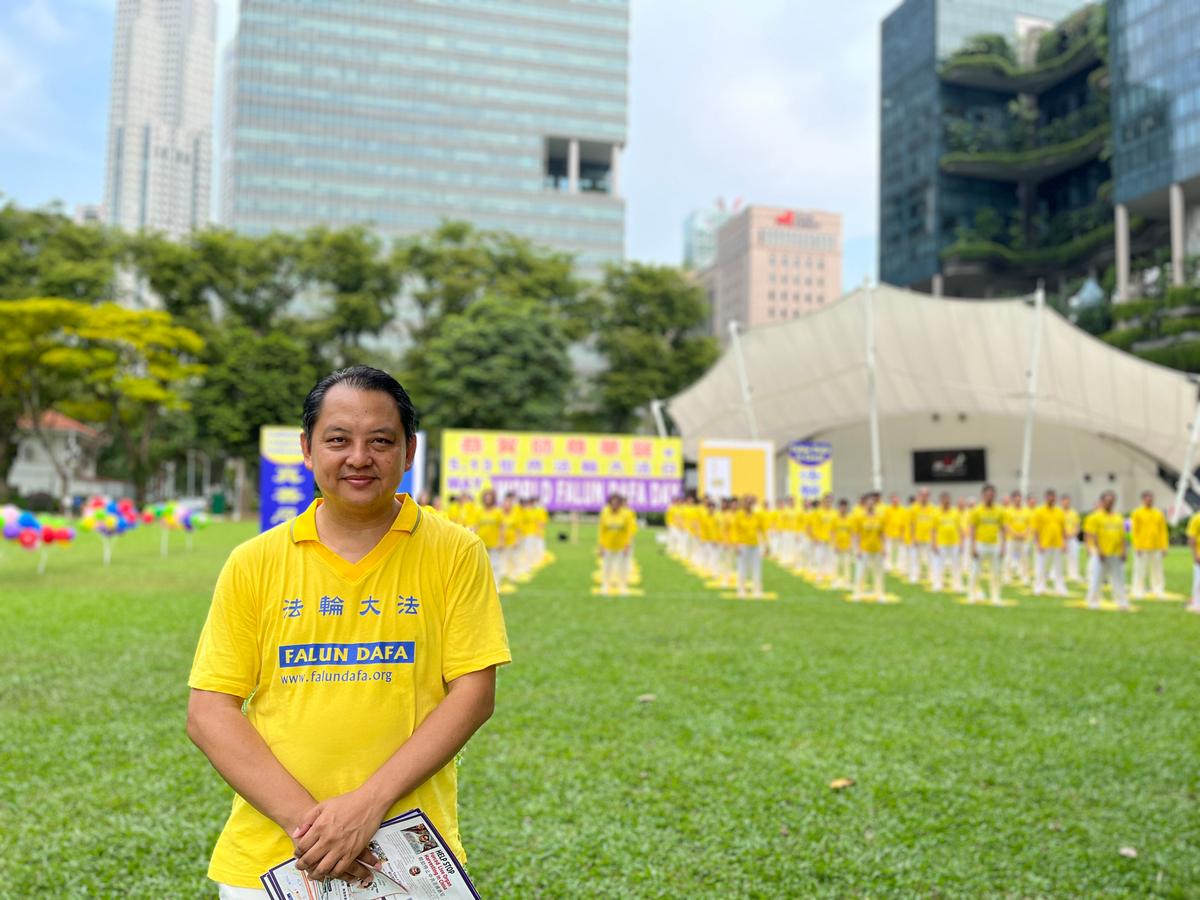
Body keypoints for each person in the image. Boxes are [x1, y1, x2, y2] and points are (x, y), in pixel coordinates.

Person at [187, 366, 510, 897]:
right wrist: (316, 830)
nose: (359, 457)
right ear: (308, 450)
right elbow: (209, 711)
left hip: (409, 858)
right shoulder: (254, 562)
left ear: (408, 451)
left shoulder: (455, 551)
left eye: (380, 441)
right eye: (338, 440)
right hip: (273, 861)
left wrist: (367, 806)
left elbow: (473, 695)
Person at [1083, 490, 1129, 611]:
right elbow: (1092, 535)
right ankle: (1092, 601)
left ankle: (1122, 602)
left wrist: (1124, 550)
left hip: (1116, 553)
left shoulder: (1118, 517)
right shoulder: (1095, 517)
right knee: (1096, 578)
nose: (1110, 503)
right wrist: (1099, 550)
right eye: (1108, 501)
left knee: (1118, 579)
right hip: (1101, 554)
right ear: (1102, 502)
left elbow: (1122, 536)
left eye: (1112, 501)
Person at [967, 484, 1006, 605]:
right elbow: (972, 529)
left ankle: (995, 597)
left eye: (992, 494)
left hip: (994, 544)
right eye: (988, 494)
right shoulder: (976, 510)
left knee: (996, 572)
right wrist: (972, 546)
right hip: (980, 544)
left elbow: (1003, 529)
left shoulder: (1000, 510)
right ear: (983, 495)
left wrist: (1003, 546)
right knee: (975, 571)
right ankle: (972, 595)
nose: (990, 497)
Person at [1129, 492, 1168, 600]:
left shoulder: (1158, 513)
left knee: (1157, 570)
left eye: (1151, 499)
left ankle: (1158, 589)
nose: (1149, 501)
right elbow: (1134, 531)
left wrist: (1164, 546)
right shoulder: (1137, 513)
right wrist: (1136, 546)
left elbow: (1163, 531)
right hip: (1142, 547)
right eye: (1147, 499)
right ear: (1143, 500)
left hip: (1156, 546)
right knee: (1140, 569)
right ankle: (1138, 590)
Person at [597, 493, 637, 595]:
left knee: (622, 567)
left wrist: (627, 544)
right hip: (608, 545)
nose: (614, 504)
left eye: (617, 502)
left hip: (621, 545)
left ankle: (622, 586)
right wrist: (601, 545)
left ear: (620, 504)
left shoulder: (626, 514)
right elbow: (602, 530)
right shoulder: (604, 513)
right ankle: (605, 585)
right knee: (607, 566)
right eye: (612, 502)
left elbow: (629, 531)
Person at [1031, 489, 1068, 596]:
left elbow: (1063, 529)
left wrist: (1064, 543)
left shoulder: (1059, 511)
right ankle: (1039, 587)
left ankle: (1060, 588)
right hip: (1044, 544)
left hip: (1057, 543)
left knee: (1059, 568)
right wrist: (1038, 544)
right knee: (1041, 567)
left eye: (1053, 497)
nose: (1052, 499)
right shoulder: (1039, 511)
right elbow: (1035, 529)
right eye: (1050, 497)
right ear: (1046, 498)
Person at [730, 494, 767, 597]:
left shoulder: (757, 516)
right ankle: (741, 589)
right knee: (742, 568)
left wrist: (766, 544)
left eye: (751, 502)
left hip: (755, 545)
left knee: (757, 568)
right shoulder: (739, 515)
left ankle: (757, 590)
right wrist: (736, 544)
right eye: (747, 502)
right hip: (743, 545)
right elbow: (735, 531)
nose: (749, 504)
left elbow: (762, 530)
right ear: (743, 504)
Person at [851, 492, 886, 600]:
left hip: (877, 548)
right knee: (861, 571)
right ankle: (858, 593)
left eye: (873, 503)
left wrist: (884, 548)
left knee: (878, 572)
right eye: (868, 503)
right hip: (864, 548)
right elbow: (856, 534)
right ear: (865, 504)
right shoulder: (859, 517)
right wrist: (857, 549)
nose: (871, 505)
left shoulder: (880, 517)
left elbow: (882, 534)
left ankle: (879, 593)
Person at [931, 491, 962, 593]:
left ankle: (957, 585)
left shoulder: (955, 513)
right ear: (940, 501)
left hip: (954, 543)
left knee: (956, 565)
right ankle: (938, 584)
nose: (946, 502)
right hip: (941, 543)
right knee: (939, 565)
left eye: (948, 500)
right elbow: (934, 530)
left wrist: (961, 543)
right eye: (944, 500)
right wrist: (934, 543)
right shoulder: (936, 513)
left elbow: (959, 529)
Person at [475, 489, 505, 590]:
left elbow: (501, 527)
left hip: (494, 543)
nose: (488, 498)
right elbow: (476, 527)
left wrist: (501, 541)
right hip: (482, 543)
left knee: (495, 565)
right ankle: (483, 587)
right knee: (481, 566)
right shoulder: (479, 511)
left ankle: (496, 586)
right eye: (486, 496)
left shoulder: (497, 512)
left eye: (490, 496)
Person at [907, 489, 936, 585]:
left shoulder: (933, 508)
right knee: (915, 558)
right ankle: (914, 576)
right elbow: (911, 524)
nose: (924, 497)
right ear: (918, 495)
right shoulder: (913, 508)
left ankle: (931, 576)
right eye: (922, 495)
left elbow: (934, 525)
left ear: (929, 496)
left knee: (931, 558)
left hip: (929, 538)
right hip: (917, 537)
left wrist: (934, 539)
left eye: (926, 495)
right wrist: (913, 537)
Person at [1003, 491, 1031, 584]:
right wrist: (1015, 534)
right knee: (1008, 558)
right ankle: (1007, 576)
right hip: (1011, 539)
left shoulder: (1026, 510)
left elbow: (1029, 525)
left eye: (1019, 498)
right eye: (1016, 499)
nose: (1018, 501)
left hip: (1023, 539)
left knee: (1025, 559)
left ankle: (1025, 577)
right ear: (1012, 500)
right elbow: (1006, 525)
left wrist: (1024, 534)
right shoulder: (1008, 511)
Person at [830, 499, 855, 589]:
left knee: (847, 564)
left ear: (847, 508)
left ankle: (847, 581)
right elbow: (832, 532)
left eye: (844, 507)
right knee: (836, 563)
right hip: (837, 545)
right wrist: (835, 544)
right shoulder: (834, 519)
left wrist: (850, 544)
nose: (843, 509)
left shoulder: (850, 519)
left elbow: (852, 533)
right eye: (841, 507)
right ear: (839, 508)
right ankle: (835, 580)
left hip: (847, 545)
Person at [1062, 494, 1082, 582]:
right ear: (1061, 502)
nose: (1066, 503)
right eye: (1064, 501)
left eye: (1068, 501)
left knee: (1074, 557)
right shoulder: (1059, 512)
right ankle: (1054, 574)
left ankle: (1073, 574)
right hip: (1061, 538)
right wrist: (1063, 535)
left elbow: (1077, 526)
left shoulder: (1074, 513)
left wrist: (1072, 534)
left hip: (1072, 538)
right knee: (1058, 557)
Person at [1187, 508, 1200, 614]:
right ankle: (1196, 603)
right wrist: (1195, 554)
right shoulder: (1196, 518)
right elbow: (1192, 538)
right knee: (1198, 581)